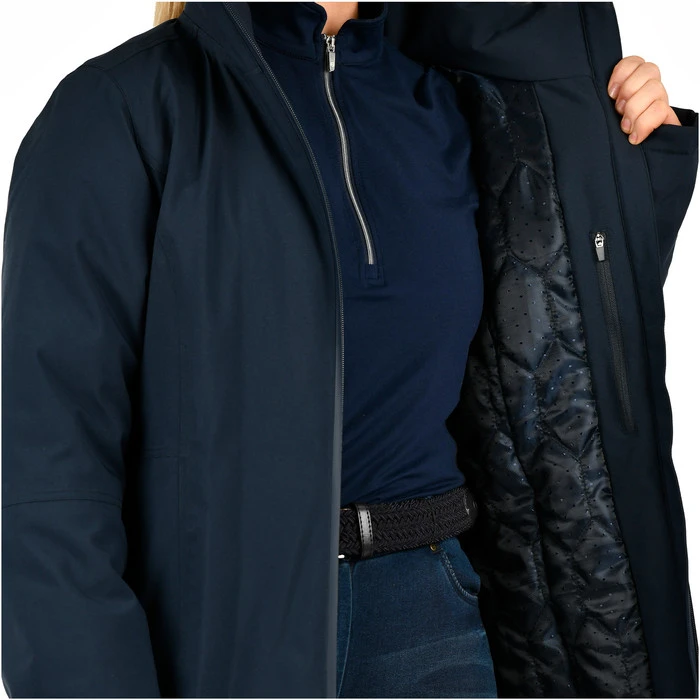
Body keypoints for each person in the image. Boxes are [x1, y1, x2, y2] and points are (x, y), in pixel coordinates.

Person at [2, 2, 698, 698]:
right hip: (221, 629)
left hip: (432, 613)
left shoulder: (453, 105)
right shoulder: (120, 111)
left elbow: (553, 340)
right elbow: (48, 470)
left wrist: (619, 166)